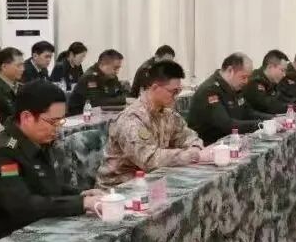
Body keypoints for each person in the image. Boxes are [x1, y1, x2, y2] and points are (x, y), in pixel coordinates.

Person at [0, 81, 104, 242]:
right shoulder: (3, 153)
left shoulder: (35, 141)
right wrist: (81, 203)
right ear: (27, 117)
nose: (58, 129)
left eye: (61, 121)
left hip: (28, 235)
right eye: (53, 122)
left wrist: (81, 194)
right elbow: (24, 206)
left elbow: (44, 185)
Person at [96, 60, 208, 188]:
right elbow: (149, 159)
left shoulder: (167, 113)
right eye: (173, 91)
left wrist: (195, 148)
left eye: (179, 91)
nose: (176, 96)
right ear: (155, 88)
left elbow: (189, 136)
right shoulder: (132, 119)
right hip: (118, 188)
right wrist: (189, 155)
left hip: (149, 180)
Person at [188, 53, 269, 144]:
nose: (246, 81)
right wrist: (261, 124)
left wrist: (272, 119)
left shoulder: (235, 86)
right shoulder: (210, 90)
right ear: (230, 71)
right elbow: (227, 125)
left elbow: (248, 112)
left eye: (248, 77)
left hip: (230, 142)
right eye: (243, 77)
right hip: (209, 145)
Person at [66, 49, 127, 116]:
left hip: (101, 114)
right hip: (79, 116)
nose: (117, 71)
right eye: (115, 68)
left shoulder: (112, 76)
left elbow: (123, 94)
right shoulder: (90, 77)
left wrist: (120, 99)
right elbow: (96, 102)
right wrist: (120, 100)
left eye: (119, 68)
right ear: (103, 65)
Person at [244, 50, 290, 116]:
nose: (284, 75)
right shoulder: (255, 81)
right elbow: (267, 106)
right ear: (270, 67)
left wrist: (294, 105)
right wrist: (291, 108)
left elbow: (281, 99)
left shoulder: (272, 81)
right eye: (282, 70)